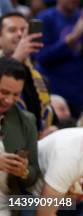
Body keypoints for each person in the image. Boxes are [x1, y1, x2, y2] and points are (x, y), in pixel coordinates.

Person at [36, 0, 83, 115]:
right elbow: (42, 57)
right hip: (55, 93)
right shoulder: (45, 18)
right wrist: (73, 38)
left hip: (81, 93)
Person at [0, 12, 54, 133]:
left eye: (24, 30)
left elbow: (49, 115)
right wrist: (16, 58)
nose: (20, 34)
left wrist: (53, 128)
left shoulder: (39, 78)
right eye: (12, 30)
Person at [0, 56, 40, 213]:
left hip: (8, 200)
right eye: (4, 92)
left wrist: (24, 172)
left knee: (64, 202)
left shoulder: (26, 121)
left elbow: (34, 173)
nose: (9, 100)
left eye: (16, 95)